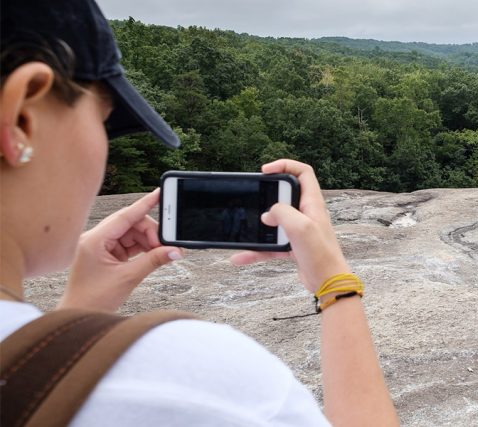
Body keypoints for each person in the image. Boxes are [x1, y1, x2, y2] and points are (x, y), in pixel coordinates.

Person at [0, 1, 399, 425]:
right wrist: (336, 285)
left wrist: (73, 321)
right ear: (22, 117)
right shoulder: (189, 383)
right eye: (104, 122)